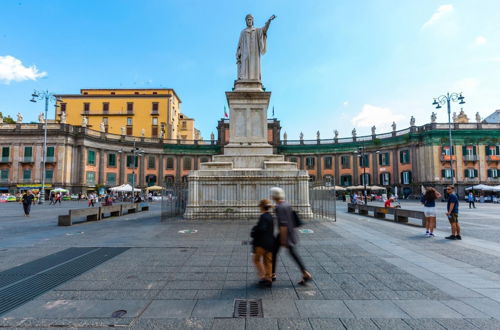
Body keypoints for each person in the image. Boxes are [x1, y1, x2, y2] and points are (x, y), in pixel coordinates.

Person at [270, 187, 312, 285]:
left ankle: (305, 273)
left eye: (272, 194)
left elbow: (283, 224)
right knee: (284, 253)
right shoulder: (286, 204)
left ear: (275, 196)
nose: (270, 196)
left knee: (286, 253)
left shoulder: (279, 207)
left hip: (284, 234)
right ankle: (272, 274)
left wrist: (283, 240)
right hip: (291, 232)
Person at [251, 199, 275, 287]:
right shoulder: (270, 216)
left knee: (256, 260)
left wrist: (254, 231)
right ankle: (268, 279)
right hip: (270, 243)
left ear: (261, 207)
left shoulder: (263, 217)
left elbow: (261, 229)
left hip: (262, 243)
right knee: (267, 261)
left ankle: (263, 276)